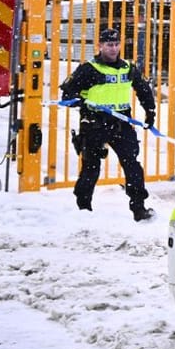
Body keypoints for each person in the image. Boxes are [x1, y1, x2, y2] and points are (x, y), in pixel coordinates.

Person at [59, 25, 158, 222]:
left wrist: (150, 110)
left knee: (132, 166)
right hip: (95, 124)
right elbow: (67, 93)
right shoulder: (89, 69)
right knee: (91, 167)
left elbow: (143, 89)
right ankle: (84, 208)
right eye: (108, 45)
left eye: (116, 44)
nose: (113, 49)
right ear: (100, 46)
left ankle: (139, 208)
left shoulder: (127, 68)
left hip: (121, 123)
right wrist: (78, 100)